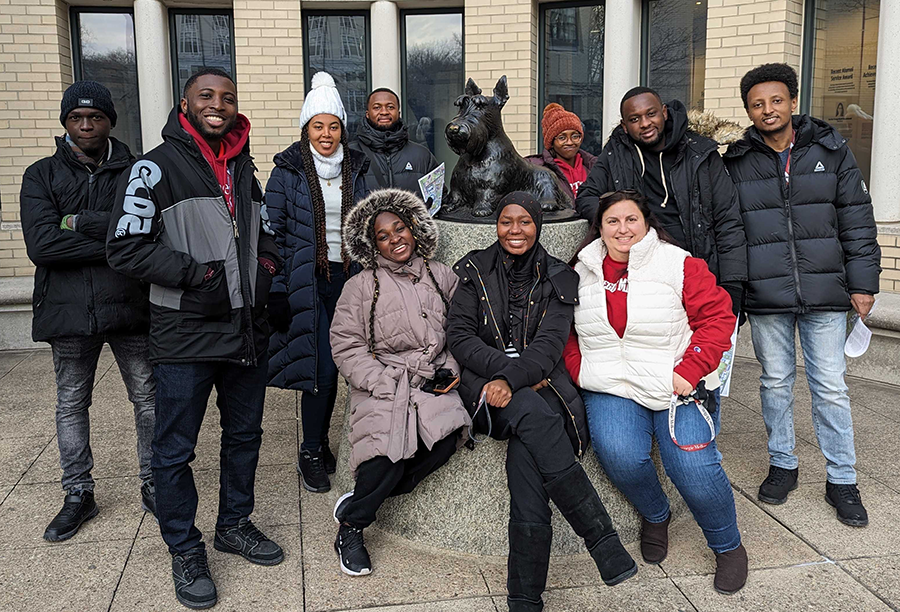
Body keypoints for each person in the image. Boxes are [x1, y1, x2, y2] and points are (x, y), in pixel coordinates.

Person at [107, 67, 283, 610]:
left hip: (246, 329)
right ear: (185, 102)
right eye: (206, 95)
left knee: (245, 435)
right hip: (186, 332)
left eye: (228, 97)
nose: (218, 104)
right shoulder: (152, 169)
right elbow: (125, 248)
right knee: (174, 449)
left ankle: (234, 523)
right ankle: (184, 546)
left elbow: (262, 230)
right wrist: (197, 274)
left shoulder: (244, 166)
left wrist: (269, 265)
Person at [447, 191, 637, 612]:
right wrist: (505, 378)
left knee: (526, 459)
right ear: (496, 226)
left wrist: (513, 379)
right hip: (487, 390)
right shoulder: (474, 269)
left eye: (525, 222)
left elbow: (550, 347)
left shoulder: (558, 276)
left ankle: (524, 598)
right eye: (506, 222)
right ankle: (601, 539)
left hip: (543, 387)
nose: (515, 230)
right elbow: (459, 336)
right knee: (532, 413)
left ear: (538, 225)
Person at [565, 190, 748, 594]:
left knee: (692, 465)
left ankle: (727, 545)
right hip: (612, 385)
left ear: (647, 223)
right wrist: (582, 369)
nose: (622, 229)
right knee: (621, 455)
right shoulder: (581, 269)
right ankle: (655, 513)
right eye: (613, 221)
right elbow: (565, 331)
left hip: (674, 382)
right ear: (600, 226)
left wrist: (692, 368)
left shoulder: (678, 263)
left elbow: (719, 318)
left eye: (631, 219)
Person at [723, 63, 880, 526]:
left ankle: (842, 479)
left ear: (792, 101)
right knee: (774, 383)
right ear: (748, 110)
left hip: (826, 291)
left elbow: (857, 218)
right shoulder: (735, 161)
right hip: (767, 293)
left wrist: (864, 282)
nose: (767, 110)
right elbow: (728, 229)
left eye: (775, 101)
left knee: (830, 386)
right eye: (757, 104)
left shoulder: (831, 150)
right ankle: (783, 464)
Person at [19, 81, 156, 543]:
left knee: (148, 399)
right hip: (67, 309)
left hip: (130, 305)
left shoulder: (138, 171)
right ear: (65, 122)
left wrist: (75, 221)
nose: (85, 125)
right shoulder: (40, 175)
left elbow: (146, 233)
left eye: (94, 117)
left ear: (109, 121)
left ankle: (154, 482)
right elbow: (42, 245)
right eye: (76, 118)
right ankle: (78, 492)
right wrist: (113, 237)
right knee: (72, 402)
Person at [329, 188, 471, 576]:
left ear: (413, 229)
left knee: (444, 440)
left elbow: (462, 330)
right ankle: (353, 527)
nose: (395, 240)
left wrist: (451, 366)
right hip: (385, 379)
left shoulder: (442, 276)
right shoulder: (361, 286)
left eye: (400, 229)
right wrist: (378, 382)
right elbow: (346, 343)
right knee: (388, 453)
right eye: (383, 236)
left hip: (431, 377)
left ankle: (359, 501)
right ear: (372, 244)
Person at [265, 71, 369, 494]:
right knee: (321, 368)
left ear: (342, 128)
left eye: (333, 125)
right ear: (306, 128)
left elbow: (372, 220)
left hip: (352, 277)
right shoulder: (287, 171)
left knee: (352, 367)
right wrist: (275, 288)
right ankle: (311, 449)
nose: (326, 134)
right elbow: (272, 235)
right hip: (308, 280)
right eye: (317, 126)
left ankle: (327, 445)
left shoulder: (360, 168)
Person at [575, 87, 747, 316]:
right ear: (625, 126)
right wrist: (622, 219)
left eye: (651, 114)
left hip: (699, 269)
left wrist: (733, 285)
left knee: (706, 346)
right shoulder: (616, 153)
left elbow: (728, 219)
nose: (645, 123)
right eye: (635, 119)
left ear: (664, 113)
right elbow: (586, 197)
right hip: (643, 276)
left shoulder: (700, 152)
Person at [350, 87, 439, 193]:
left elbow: (440, 200)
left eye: (390, 107)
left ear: (398, 113)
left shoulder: (423, 155)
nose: (384, 112)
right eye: (377, 107)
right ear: (367, 114)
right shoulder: (351, 154)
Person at [525, 103, 596, 201]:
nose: (570, 142)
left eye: (575, 136)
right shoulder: (540, 171)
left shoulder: (593, 166)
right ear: (551, 142)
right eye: (562, 138)